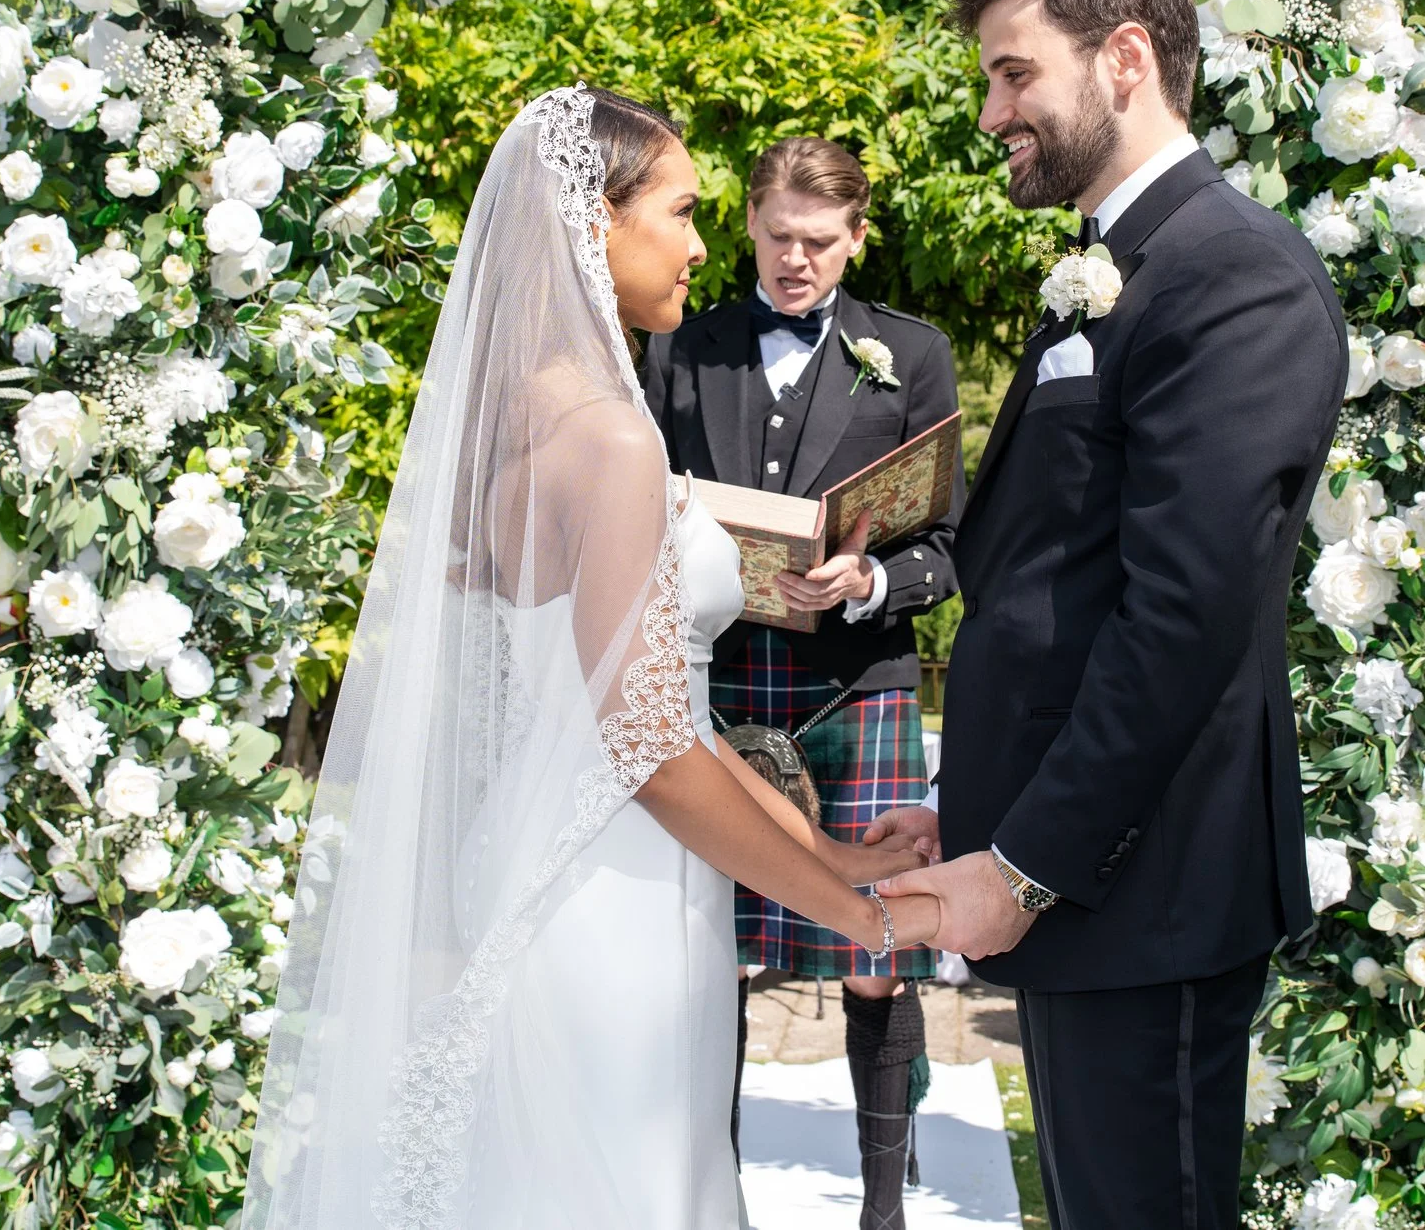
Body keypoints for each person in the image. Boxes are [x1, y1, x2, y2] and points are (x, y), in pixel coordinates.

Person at [243, 88, 940, 1230]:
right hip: (617, 901)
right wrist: (856, 915)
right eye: (678, 210)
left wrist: (841, 853)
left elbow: (620, 703)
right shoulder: (613, 440)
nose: (703, 244)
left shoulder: (509, 422)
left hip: (533, 866)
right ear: (592, 223)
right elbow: (652, 745)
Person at [866, 0, 1348, 1229]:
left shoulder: (1233, 274)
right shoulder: (1116, 270)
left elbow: (1181, 616)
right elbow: (1050, 587)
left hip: (1151, 887)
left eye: (1014, 75)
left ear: (1126, 57)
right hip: (1094, 890)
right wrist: (966, 809)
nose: (990, 112)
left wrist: (1022, 866)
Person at [640, 136, 964, 1229]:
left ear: (856, 236)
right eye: (777, 236)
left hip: (855, 680)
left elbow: (950, 546)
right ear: (748, 227)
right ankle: (712, 1193)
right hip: (720, 682)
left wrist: (870, 576)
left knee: (877, 937)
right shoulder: (685, 345)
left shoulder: (910, 354)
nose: (794, 260)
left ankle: (881, 1209)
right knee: (711, 947)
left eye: (818, 242)